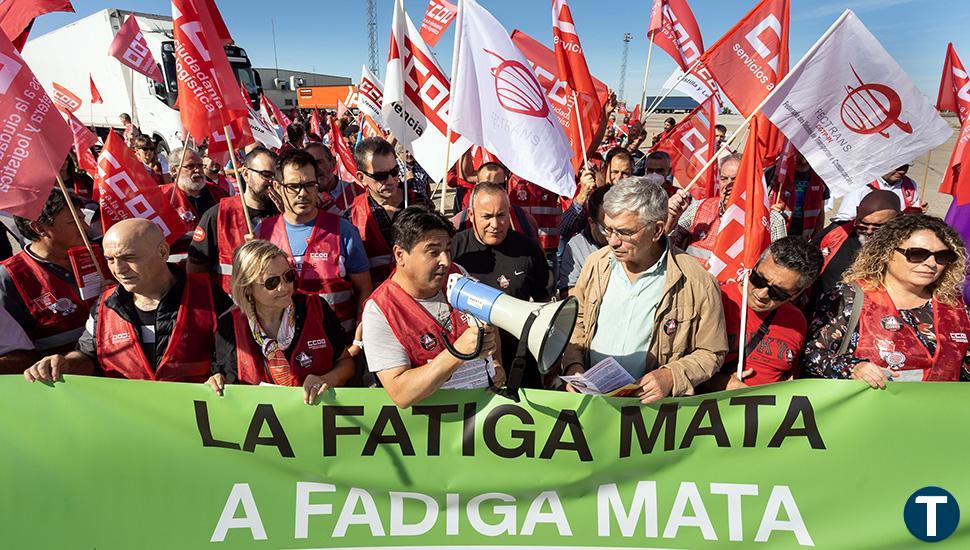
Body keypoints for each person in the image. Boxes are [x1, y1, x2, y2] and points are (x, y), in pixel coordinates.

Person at [561, 177, 728, 403]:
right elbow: (576, 322)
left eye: (625, 232)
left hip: (651, 417)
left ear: (657, 230)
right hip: (594, 405)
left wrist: (671, 376)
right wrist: (573, 364)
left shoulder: (697, 281)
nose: (612, 241)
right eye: (607, 229)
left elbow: (712, 351)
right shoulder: (595, 264)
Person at [23, 219, 233, 383]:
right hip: (129, 429)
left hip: (195, 424)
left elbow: (232, 363)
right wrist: (65, 364)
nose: (119, 269)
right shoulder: (105, 305)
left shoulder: (210, 297)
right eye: (110, 259)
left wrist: (222, 378)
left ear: (162, 252)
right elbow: (88, 356)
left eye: (129, 258)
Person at [804, 214, 970, 386]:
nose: (931, 263)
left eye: (942, 256)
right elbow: (812, 354)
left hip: (939, 410)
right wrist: (852, 368)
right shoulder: (849, 297)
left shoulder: (954, 306)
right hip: (872, 410)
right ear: (887, 253)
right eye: (918, 254)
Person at [363, 207, 504, 408]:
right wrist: (458, 353)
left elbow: (488, 319)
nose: (445, 261)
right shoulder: (380, 310)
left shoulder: (457, 275)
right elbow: (401, 394)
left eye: (447, 249)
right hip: (432, 431)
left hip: (480, 418)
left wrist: (496, 362)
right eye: (433, 252)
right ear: (400, 254)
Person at [207, 240, 355, 404]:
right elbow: (224, 377)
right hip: (261, 424)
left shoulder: (316, 308)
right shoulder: (229, 323)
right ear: (247, 287)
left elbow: (346, 363)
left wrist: (327, 379)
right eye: (272, 282)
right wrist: (216, 382)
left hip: (317, 420)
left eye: (288, 276)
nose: (284, 287)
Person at [259, 149, 372, 335]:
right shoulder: (263, 233)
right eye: (293, 186)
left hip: (341, 345)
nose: (302, 193)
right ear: (278, 187)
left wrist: (358, 342)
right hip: (286, 346)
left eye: (309, 184)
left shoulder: (343, 231)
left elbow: (364, 290)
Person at [451, 182, 551, 388]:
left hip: (521, 359)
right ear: (471, 215)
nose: (495, 224)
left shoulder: (528, 249)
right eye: (487, 217)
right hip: (470, 363)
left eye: (501, 215)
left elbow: (544, 302)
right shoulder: (454, 250)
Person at [706, 237, 823, 390]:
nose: (761, 294)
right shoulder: (715, 301)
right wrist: (720, 384)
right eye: (759, 279)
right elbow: (674, 368)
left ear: (797, 293)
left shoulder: (796, 321)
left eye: (777, 292)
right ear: (754, 267)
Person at [0, 190, 90, 363]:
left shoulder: (98, 255)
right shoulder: (10, 277)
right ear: (40, 228)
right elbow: (16, 351)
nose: (84, 227)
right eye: (73, 222)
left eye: (82, 218)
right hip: (63, 382)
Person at [187, 147, 280, 292]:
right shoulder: (218, 214)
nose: (272, 182)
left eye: (277, 176)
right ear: (246, 174)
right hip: (232, 307)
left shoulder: (284, 214)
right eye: (266, 174)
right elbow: (196, 267)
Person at [672, 154, 786, 262]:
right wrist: (671, 218)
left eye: (735, 179)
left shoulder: (771, 220)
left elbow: (779, 266)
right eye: (724, 179)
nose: (728, 185)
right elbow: (667, 243)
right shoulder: (698, 207)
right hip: (695, 280)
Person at [347, 137, 417, 286]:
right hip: (377, 301)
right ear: (362, 177)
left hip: (419, 295)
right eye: (380, 176)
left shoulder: (419, 203)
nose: (391, 180)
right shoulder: (351, 216)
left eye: (394, 171)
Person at [811, 190, 901, 301]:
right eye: (863, 224)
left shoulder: (905, 250)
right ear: (857, 212)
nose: (868, 231)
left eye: (878, 227)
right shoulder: (836, 232)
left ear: (898, 219)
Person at [161, 146, 230, 262]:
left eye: (200, 165)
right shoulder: (163, 196)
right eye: (190, 166)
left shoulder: (218, 193)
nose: (197, 170)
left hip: (216, 261)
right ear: (174, 170)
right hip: (180, 265)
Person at [451, 163, 540, 245]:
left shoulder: (524, 220)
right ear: (471, 215)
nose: (495, 224)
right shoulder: (459, 223)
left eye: (499, 186)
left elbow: (537, 256)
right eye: (487, 186)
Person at [558, 185, 608, 295]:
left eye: (619, 229)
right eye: (606, 229)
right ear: (592, 223)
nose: (613, 237)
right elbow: (568, 293)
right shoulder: (575, 247)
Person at [768, 152, 829, 239]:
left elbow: (820, 212)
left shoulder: (820, 177)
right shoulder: (776, 172)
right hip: (777, 235)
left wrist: (816, 240)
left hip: (803, 239)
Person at [833, 164, 924, 221]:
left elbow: (911, 214)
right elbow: (844, 218)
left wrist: (918, 209)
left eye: (906, 166)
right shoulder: (862, 183)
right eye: (898, 167)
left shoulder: (910, 185)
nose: (902, 171)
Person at [305, 142, 357, 213]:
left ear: (332, 163)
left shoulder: (355, 191)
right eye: (310, 164)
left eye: (319, 162)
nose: (315, 168)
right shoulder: (305, 201)